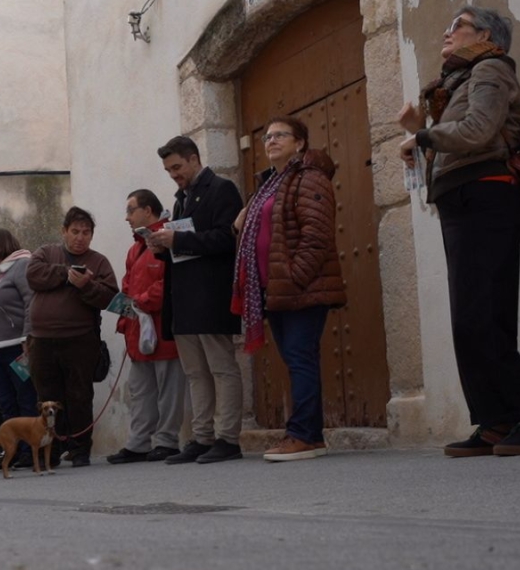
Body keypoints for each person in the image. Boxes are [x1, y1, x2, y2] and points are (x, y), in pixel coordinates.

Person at [398, 6, 520, 457]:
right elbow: (457, 136)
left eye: (457, 26)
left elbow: (479, 130)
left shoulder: (490, 69)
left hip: (486, 195)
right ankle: (495, 421)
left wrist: (422, 138)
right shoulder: (459, 80)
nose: (447, 33)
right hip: (461, 198)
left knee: (486, 313)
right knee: (469, 319)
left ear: (486, 34)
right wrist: (420, 133)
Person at [231, 116, 346, 462]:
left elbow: (317, 234)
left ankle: (304, 435)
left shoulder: (309, 177)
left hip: (300, 288)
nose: (271, 140)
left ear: (300, 143)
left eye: (280, 135)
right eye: (266, 136)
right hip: (275, 289)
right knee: (295, 359)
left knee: (300, 357)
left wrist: (295, 277)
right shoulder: (270, 184)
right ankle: (307, 433)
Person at [148, 135, 245, 465]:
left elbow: (226, 239)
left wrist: (178, 239)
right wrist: (164, 248)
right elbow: (186, 248)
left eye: (177, 167)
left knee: (221, 369)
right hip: (186, 300)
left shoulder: (222, 189)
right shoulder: (180, 199)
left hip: (211, 295)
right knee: (195, 374)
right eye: (168, 170)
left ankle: (228, 438)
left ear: (193, 159)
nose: (173, 174)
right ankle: (202, 437)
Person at [26, 206, 119, 467]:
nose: (80, 237)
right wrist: (66, 275)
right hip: (42, 340)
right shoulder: (46, 252)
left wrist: (85, 285)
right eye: (75, 231)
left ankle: (80, 450)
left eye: (86, 232)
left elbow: (110, 297)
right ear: (64, 232)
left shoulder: (99, 262)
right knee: (46, 396)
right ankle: (50, 450)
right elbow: (33, 275)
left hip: (80, 339)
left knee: (79, 395)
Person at [107, 190, 187, 464]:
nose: (127, 217)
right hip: (137, 330)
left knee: (169, 389)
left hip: (163, 329)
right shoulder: (135, 248)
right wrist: (124, 316)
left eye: (131, 210)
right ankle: (139, 442)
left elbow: (170, 282)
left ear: (148, 210)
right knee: (140, 390)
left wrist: (140, 302)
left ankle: (167, 440)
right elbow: (127, 285)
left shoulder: (165, 238)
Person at [0, 228, 37, 470]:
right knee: (6, 402)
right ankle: (13, 450)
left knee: (24, 398)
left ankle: (27, 450)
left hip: (16, 345)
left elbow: (30, 300)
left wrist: (27, 335)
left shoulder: (21, 266)